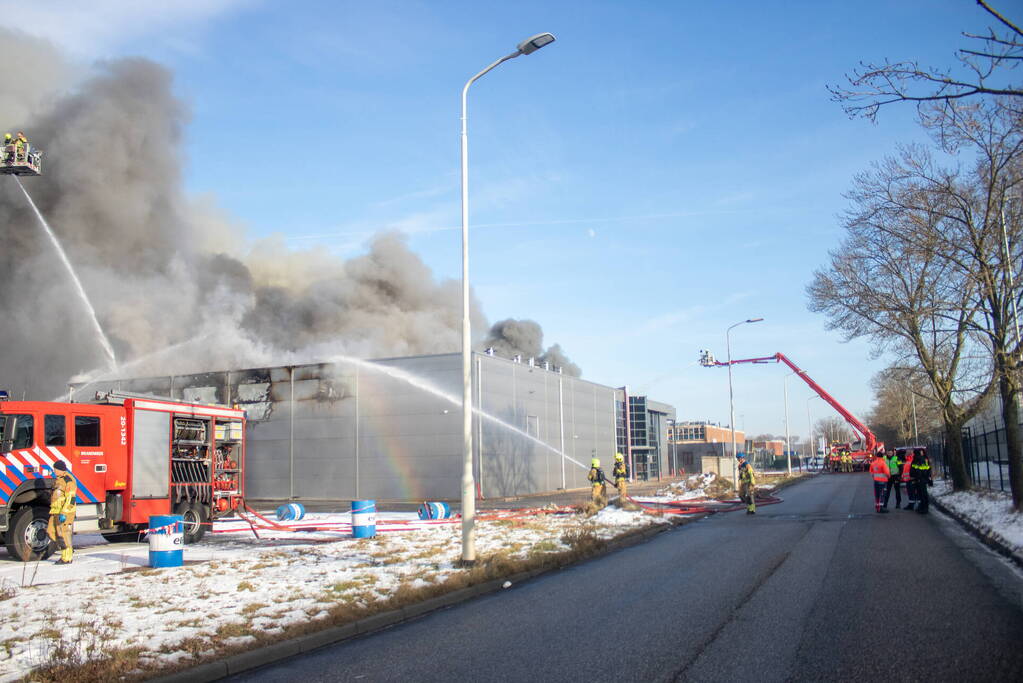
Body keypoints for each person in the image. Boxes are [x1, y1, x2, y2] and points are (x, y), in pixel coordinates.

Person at [47, 461, 77, 564]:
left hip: (64, 513)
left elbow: (71, 499)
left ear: (61, 469)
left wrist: (64, 513)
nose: (54, 471)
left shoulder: (68, 481)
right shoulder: (58, 480)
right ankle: (68, 549)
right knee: (51, 531)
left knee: (63, 534)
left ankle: (67, 557)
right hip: (56, 511)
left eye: (55, 469)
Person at [910, 448, 933, 514]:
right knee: (921, 494)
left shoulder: (919, 459)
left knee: (923, 494)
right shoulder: (918, 459)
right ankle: (923, 507)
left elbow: (922, 470)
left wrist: (919, 477)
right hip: (920, 479)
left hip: (921, 479)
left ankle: (925, 508)